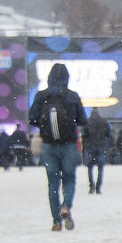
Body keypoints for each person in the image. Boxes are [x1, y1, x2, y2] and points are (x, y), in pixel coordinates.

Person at [28, 63, 89, 231]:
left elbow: (32, 119)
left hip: (49, 145)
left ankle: (56, 221)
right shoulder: (72, 96)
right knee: (69, 179)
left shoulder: (41, 96)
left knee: (52, 183)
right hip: (69, 144)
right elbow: (83, 121)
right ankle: (66, 206)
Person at [82, 109, 113, 194]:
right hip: (101, 146)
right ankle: (98, 187)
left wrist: (85, 146)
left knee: (90, 167)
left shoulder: (87, 122)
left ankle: (91, 186)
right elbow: (108, 134)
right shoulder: (104, 122)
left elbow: (84, 135)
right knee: (100, 168)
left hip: (90, 146)